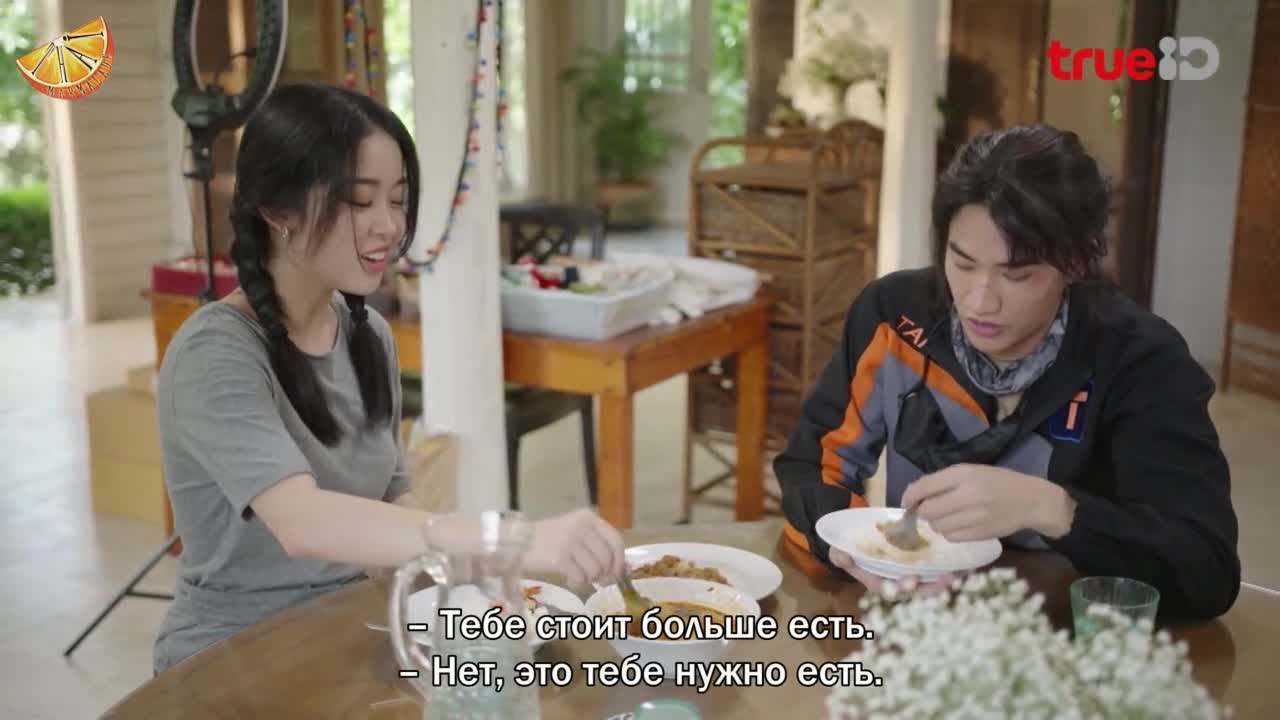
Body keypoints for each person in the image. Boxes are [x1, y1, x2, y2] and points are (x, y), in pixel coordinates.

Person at [152, 84, 625, 674]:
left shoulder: (367, 333)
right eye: (359, 200)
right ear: (277, 210)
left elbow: (394, 499)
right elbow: (302, 522)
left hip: (353, 629)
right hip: (237, 658)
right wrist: (507, 541)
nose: (389, 226)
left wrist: (474, 589)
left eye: (398, 200)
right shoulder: (214, 352)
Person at [775, 123, 1240, 619]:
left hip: (1062, 629)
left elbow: (1205, 569)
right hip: (914, 617)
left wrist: (1051, 509)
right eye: (962, 263)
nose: (979, 302)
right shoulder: (893, 315)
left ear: (1076, 261)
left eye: (1017, 275)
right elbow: (810, 464)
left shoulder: (1139, 359)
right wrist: (851, 553)